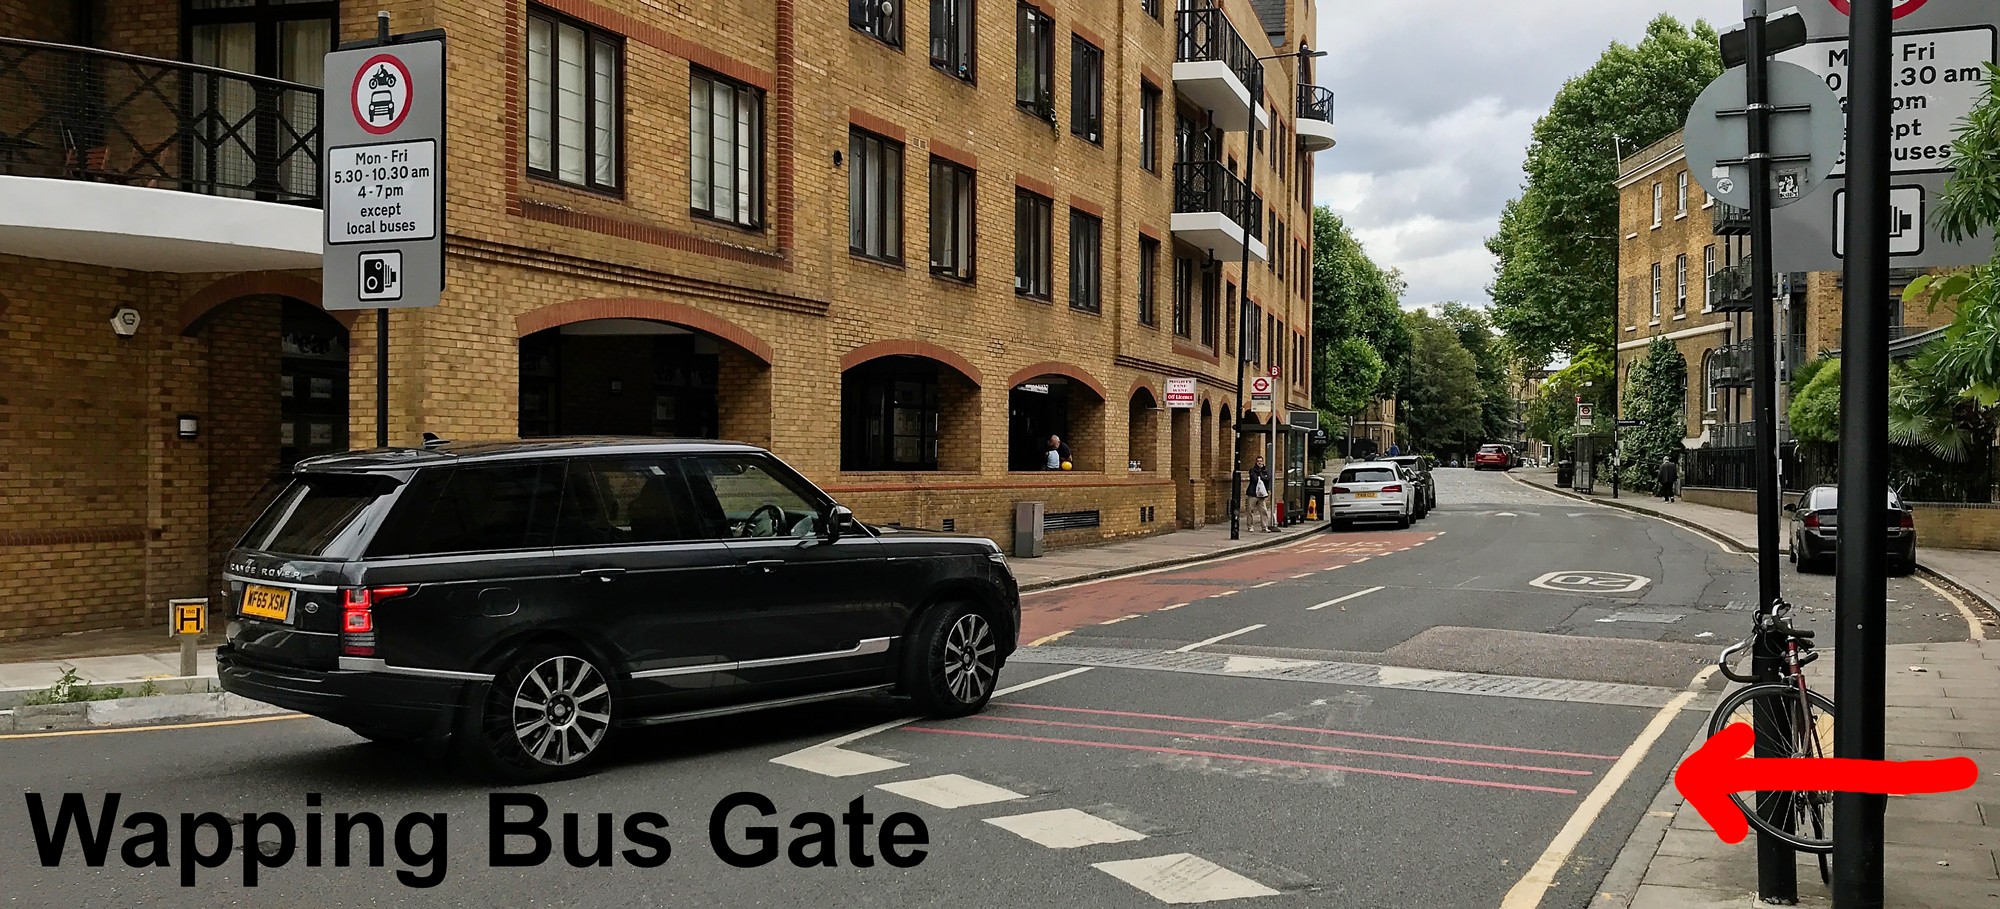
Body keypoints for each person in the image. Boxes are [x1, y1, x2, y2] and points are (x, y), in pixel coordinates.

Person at [1247, 455, 1275, 532]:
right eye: (1258, 461)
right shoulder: (1252, 470)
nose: (1259, 463)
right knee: (1250, 510)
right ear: (1256, 462)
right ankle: (1250, 526)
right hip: (1253, 493)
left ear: (1263, 462)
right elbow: (1255, 479)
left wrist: (1261, 475)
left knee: (1264, 511)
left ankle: (1264, 527)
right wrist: (1262, 475)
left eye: (1261, 461)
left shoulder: (1265, 470)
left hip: (1262, 494)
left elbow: (1268, 478)